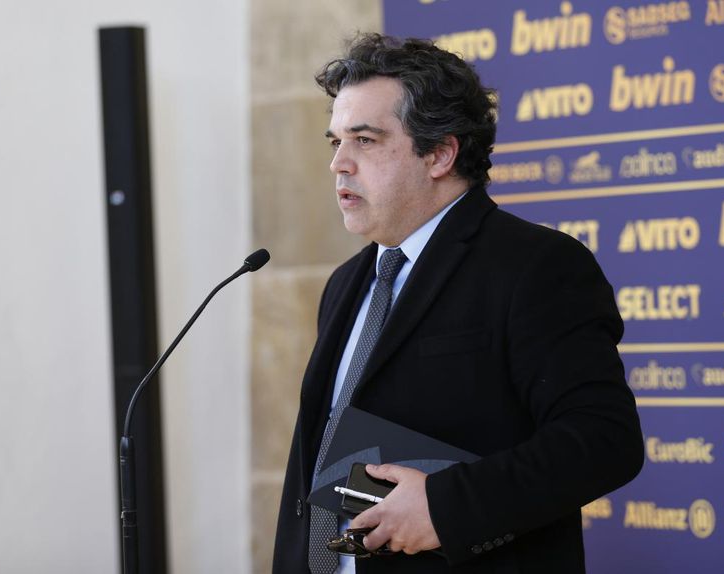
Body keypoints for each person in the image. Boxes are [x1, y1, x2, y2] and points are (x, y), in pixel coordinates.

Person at [272, 33, 643, 574]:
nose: (339, 164)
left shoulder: (535, 265)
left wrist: (444, 509)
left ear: (440, 154)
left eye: (365, 140)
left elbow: (604, 440)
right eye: (335, 142)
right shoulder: (346, 283)